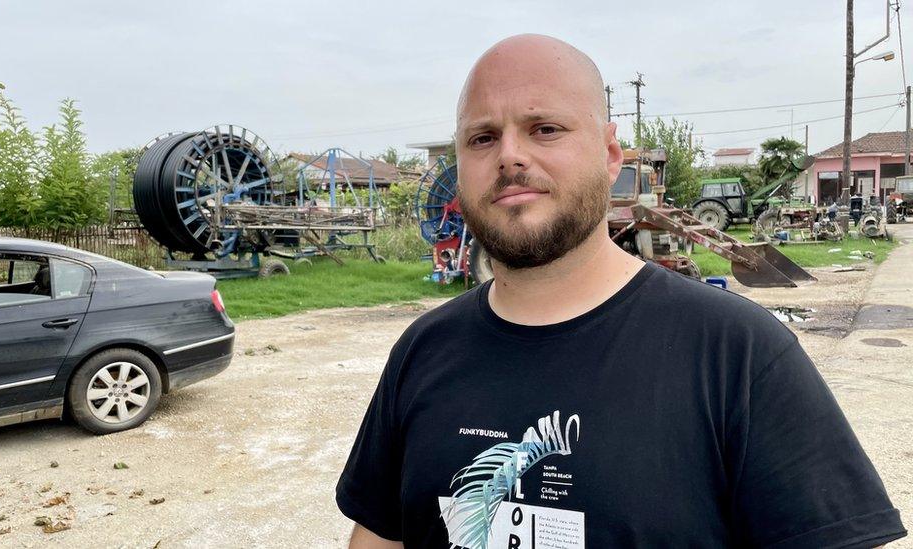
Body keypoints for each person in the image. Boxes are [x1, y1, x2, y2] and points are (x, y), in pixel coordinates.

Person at [336, 34, 906, 548]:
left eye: (545, 128)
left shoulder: (738, 354)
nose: (509, 155)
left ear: (611, 155)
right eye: (483, 137)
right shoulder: (423, 350)